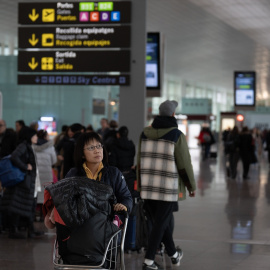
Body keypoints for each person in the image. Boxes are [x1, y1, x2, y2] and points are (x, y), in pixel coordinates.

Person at [43, 132, 132, 264]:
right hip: (77, 233)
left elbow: (126, 197)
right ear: (82, 153)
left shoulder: (113, 173)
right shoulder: (74, 174)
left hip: (104, 233)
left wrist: (123, 206)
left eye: (99, 146)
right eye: (91, 148)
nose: (97, 150)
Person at [137, 100, 196, 270]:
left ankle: (174, 254)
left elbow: (139, 161)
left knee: (159, 223)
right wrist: (190, 186)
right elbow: (184, 164)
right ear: (172, 115)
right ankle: (148, 260)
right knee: (160, 223)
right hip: (167, 188)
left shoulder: (144, 133)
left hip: (148, 186)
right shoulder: (176, 135)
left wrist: (140, 186)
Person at [0, 127, 42, 238]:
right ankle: (16, 230)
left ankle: (29, 229)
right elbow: (14, 156)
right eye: (34, 135)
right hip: (24, 181)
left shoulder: (28, 146)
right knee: (20, 205)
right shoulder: (23, 146)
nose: (36, 137)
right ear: (29, 136)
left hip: (28, 181)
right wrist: (25, 166)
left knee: (27, 205)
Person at [33, 129, 57, 214]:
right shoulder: (50, 147)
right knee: (46, 193)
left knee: (36, 192)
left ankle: (36, 214)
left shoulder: (33, 146)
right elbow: (54, 161)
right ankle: (45, 214)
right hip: (47, 172)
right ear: (45, 136)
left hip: (36, 173)